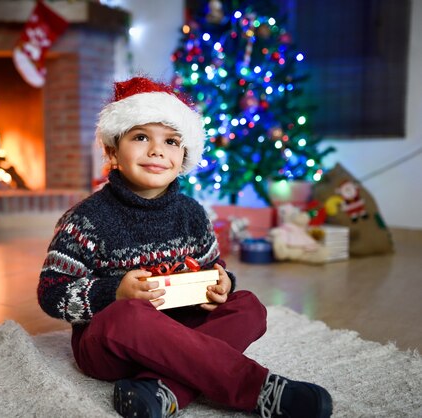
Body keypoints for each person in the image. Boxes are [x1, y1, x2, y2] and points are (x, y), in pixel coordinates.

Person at [37, 76, 333, 418]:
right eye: (141, 137)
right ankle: (257, 389)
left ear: (184, 155)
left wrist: (221, 283)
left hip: (180, 330)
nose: (156, 150)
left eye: (171, 141)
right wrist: (114, 293)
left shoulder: (192, 214)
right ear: (112, 151)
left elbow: (214, 267)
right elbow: (51, 293)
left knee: (249, 307)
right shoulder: (86, 218)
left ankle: (163, 389)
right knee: (129, 314)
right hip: (112, 345)